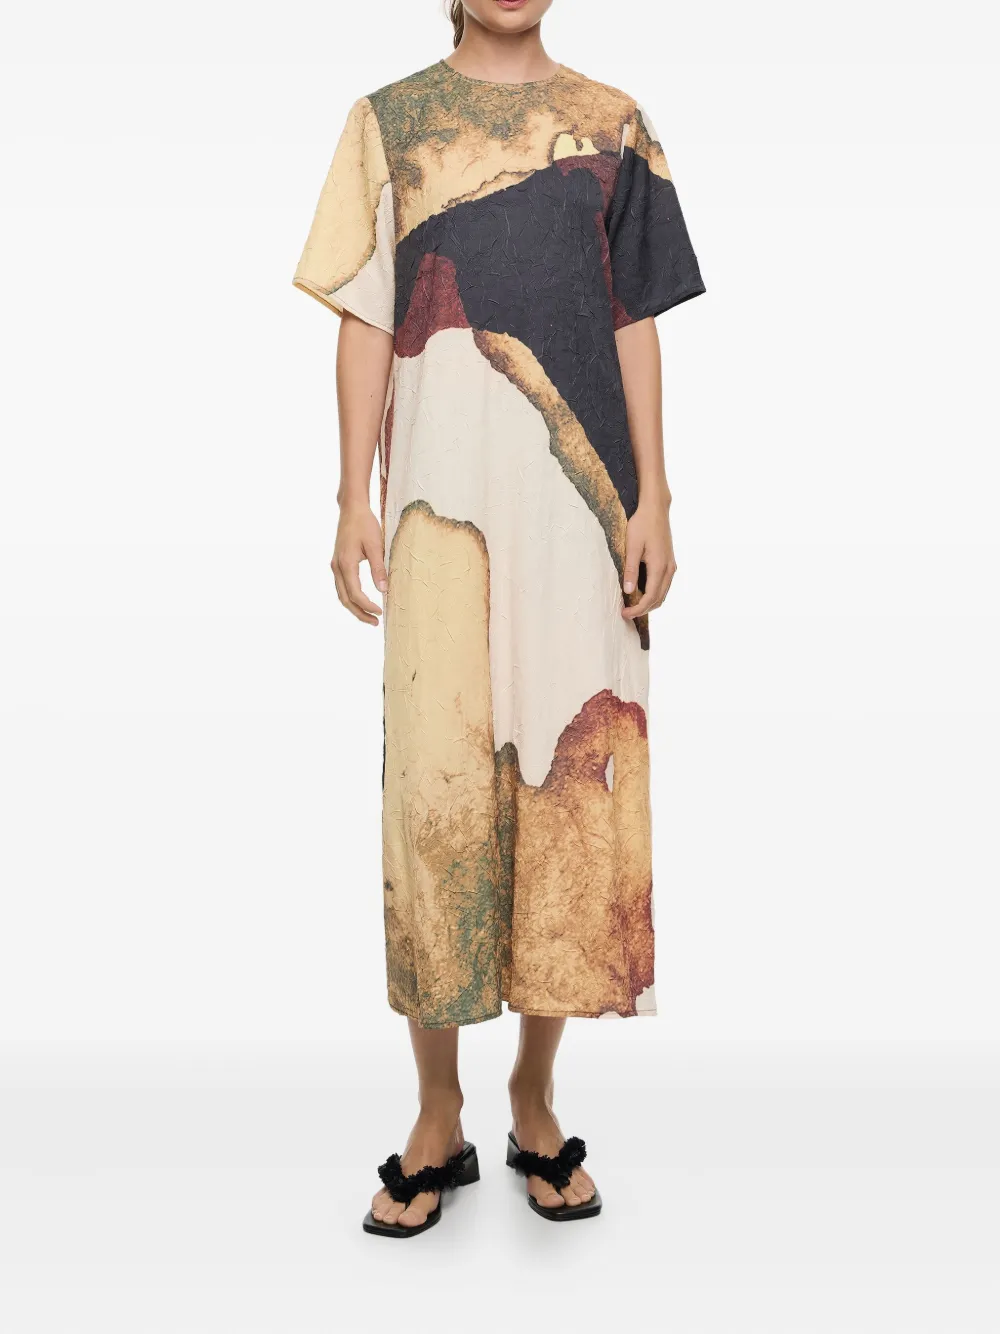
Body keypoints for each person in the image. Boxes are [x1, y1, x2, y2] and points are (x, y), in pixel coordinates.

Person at [293, 0, 704, 1236]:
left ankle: (532, 1091)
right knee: (438, 787)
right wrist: (350, 496)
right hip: (437, 511)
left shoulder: (613, 124)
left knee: (566, 791)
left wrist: (654, 497)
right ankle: (437, 1107)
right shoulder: (388, 123)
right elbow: (367, 315)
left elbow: (632, 322)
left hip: (579, 516)